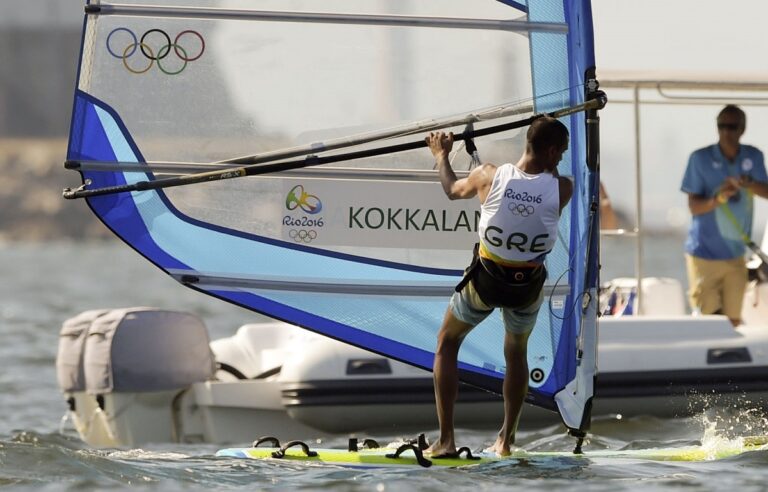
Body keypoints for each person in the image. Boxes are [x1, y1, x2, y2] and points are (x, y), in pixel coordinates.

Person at [424, 116, 573, 457]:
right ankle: (506, 440)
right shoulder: (562, 188)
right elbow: (540, 186)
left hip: (486, 282)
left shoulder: (489, 176)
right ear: (550, 151)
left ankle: (446, 440)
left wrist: (441, 156)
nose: (562, 158)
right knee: (516, 352)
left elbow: (451, 190)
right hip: (527, 288)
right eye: (561, 152)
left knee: (447, 342)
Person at [681, 105, 768, 327]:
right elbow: (693, 206)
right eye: (722, 126)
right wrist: (718, 199)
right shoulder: (700, 158)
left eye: (732, 126)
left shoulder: (753, 156)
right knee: (709, 318)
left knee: (733, 321)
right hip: (703, 254)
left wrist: (748, 183)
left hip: (735, 254)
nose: (726, 132)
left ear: (742, 129)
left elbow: (766, 192)